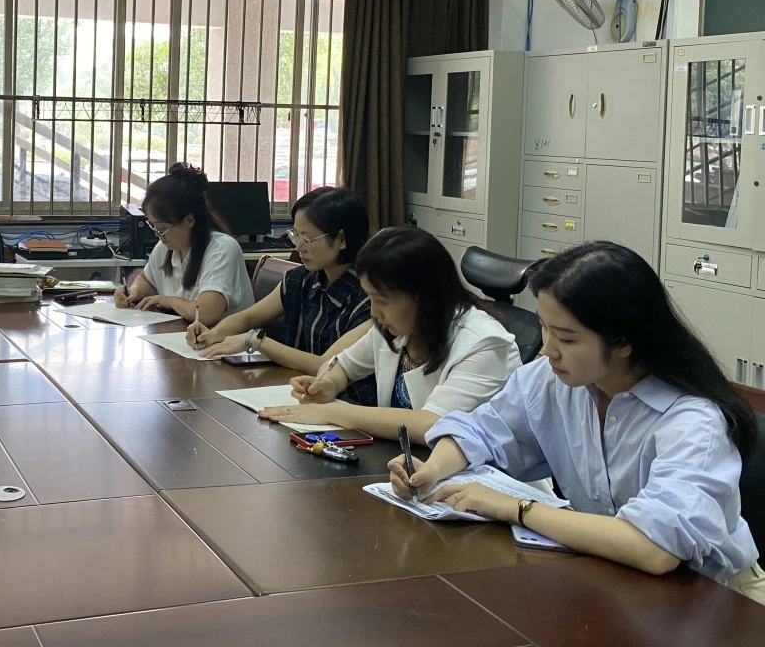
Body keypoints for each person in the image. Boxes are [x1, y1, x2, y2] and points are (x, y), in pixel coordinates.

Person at [387, 241, 765, 604]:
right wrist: (432, 470)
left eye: (567, 339)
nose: (547, 349)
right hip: (614, 581)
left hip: (714, 598)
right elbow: (482, 431)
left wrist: (516, 507)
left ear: (623, 342)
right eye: (544, 327)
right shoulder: (555, 380)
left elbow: (655, 548)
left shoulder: (692, 421)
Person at [257, 224, 521, 444]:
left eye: (382, 300)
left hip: (480, 480)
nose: (374, 312)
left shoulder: (484, 344)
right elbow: (344, 366)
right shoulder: (398, 326)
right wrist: (329, 385)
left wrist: (331, 412)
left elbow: (431, 424)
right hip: (406, 466)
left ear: (423, 296)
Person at [193, 186, 378, 404]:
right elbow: (248, 317)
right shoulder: (299, 279)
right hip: (299, 393)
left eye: (307, 239)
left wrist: (257, 341)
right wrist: (212, 335)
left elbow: (327, 364)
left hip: (350, 405)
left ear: (341, 239)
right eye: (295, 235)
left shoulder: (371, 297)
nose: (298, 247)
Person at [114, 163, 254, 326]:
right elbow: (148, 280)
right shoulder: (166, 247)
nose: (158, 234)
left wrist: (169, 300)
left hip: (226, 339)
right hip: (185, 334)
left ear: (189, 220)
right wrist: (132, 292)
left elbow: (206, 313)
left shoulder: (222, 249)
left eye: (162, 228)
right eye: (153, 226)